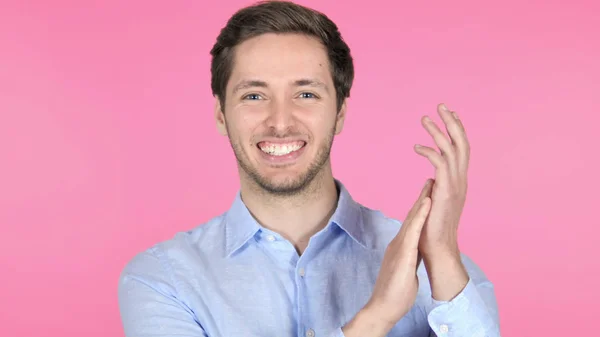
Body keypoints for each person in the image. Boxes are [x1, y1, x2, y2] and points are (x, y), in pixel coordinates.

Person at [118, 1, 501, 336]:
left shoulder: (444, 273)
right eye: (254, 95)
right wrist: (377, 317)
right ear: (221, 115)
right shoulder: (163, 278)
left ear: (339, 113)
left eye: (306, 94)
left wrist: (444, 261)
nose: (280, 121)